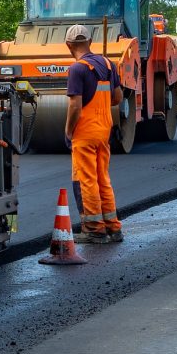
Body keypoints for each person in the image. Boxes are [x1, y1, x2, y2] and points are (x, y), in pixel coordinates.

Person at [63, 24, 122, 244]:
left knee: (86, 180)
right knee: (102, 179)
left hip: (85, 133)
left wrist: (68, 131)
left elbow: (75, 106)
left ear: (69, 45)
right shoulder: (108, 64)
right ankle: (113, 227)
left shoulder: (77, 69)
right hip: (103, 131)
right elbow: (117, 98)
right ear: (90, 42)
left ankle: (95, 229)